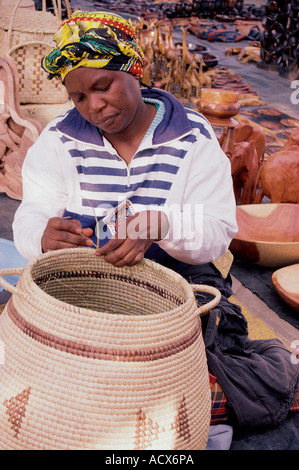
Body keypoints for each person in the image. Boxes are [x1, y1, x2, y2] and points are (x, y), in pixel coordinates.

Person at [13, 10, 298, 440]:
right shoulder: (58, 141)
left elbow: (218, 229)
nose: (94, 106)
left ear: (134, 71)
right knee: (57, 350)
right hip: (88, 281)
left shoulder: (191, 139)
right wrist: (41, 234)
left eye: (102, 86)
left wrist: (162, 224)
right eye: (78, 97)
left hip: (184, 282)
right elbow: (32, 213)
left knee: (187, 358)